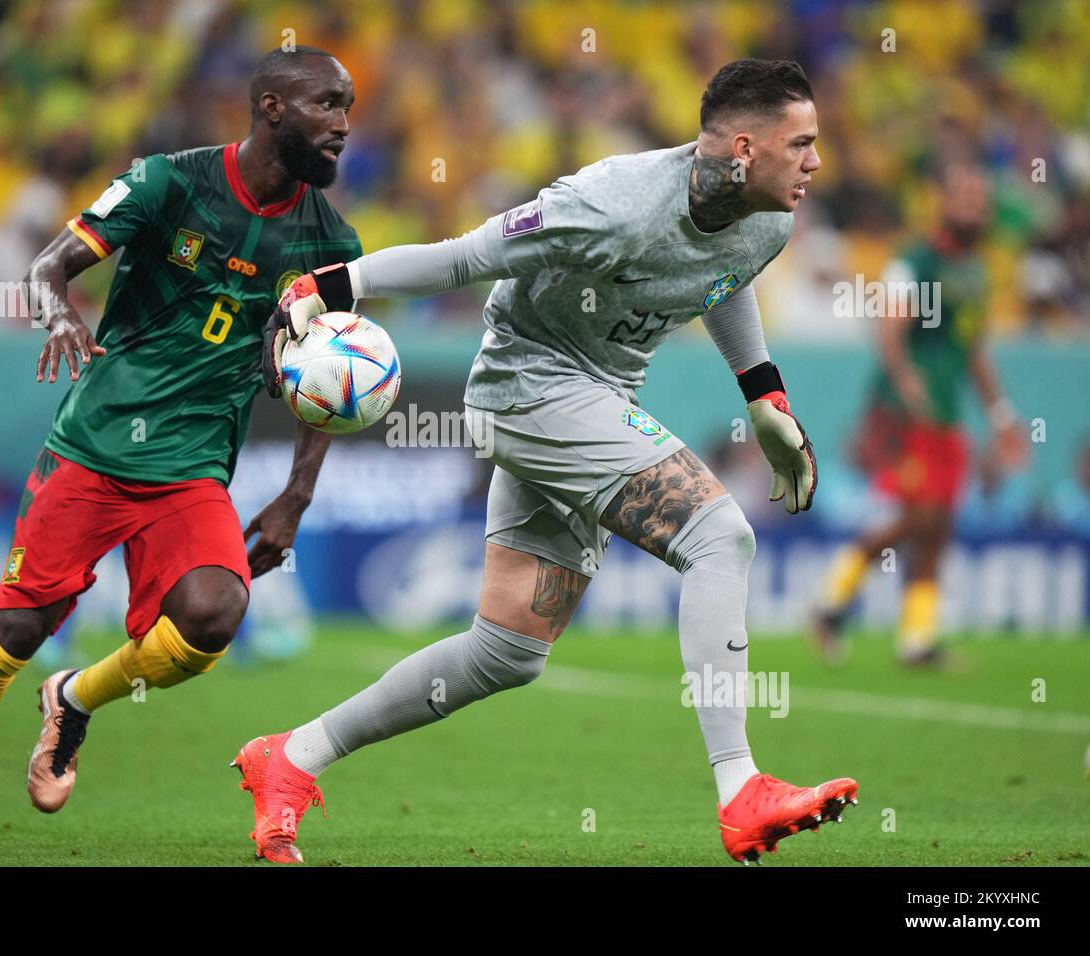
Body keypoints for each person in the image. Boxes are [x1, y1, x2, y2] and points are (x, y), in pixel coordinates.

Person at [234, 59, 856, 865]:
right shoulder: (612, 204)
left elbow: (723, 272)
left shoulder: (770, 215)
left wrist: (764, 395)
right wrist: (330, 284)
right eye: (801, 143)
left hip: (597, 392)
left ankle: (290, 757)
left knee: (507, 652)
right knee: (719, 536)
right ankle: (740, 787)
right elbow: (465, 257)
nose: (815, 162)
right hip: (530, 385)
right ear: (744, 147)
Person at [0, 46, 361, 853]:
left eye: (348, 107)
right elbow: (48, 266)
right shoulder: (167, 183)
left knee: (212, 617)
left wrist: (296, 495)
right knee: (14, 634)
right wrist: (60, 311)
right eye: (327, 104)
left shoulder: (329, 239)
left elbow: (329, 372)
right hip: (95, 447)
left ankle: (77, 697)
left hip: (192, 468)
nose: (343, 125)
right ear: (272, 107)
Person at [813, 163, 1027, 666]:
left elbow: (974, 350)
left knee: (939, 525)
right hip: (906, 413)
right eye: (965, 198)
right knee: (918, 517)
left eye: (980, 201)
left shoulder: (976, 271)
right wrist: (907, 382)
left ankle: (916, 640)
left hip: (948, 414)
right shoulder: (917, 257)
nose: (973, 208)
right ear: (944, 203)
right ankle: (829, 602)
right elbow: (890, 327)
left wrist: (1001, 416)